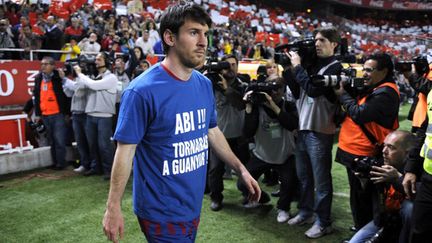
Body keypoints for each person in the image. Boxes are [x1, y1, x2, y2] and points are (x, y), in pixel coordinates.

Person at [102, 2, 260, 243]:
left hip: (191, 204)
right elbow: (125, 152)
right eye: (194, 32)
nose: (203, 42)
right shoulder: (141, 91)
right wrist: (113, 207)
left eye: (205, 34)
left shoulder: (204, 84)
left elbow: (213, 131)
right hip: (160, 212)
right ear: (170, 37)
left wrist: (241, 169)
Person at [285, 26, 343, 239]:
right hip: (303, 128)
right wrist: (291, 67)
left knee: (321, 181)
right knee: (305, 178)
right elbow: (299, 89)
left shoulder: (336, 68)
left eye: (322, 40)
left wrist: (299, 67)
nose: (316, 44)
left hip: (320, 130)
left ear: (334, 44)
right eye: (316, 40)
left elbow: (312, 89)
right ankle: (306, 212)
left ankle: (323, 221)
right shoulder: (312, 65)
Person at [335, 53, 400, 235]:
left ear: (384, 71)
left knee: (364, 198)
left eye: (369, 70)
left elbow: (359, 114)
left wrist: (342, 94)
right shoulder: (377, 88)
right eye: (363, 69)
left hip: (365, 153)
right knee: (360, 196)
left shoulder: (386, 92)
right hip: (356, 150)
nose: (364, 74)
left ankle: (366, 232)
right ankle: (363, 229)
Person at [238, 77, 298, 222]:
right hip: (262, 155)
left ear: (283, 91)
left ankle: (283, 208)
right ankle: (260, 198)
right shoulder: (258, 107)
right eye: (272, 88)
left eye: (278, 88)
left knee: (289, 182)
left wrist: (272, 105)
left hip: (285, 154)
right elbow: (248, 133)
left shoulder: (288, 106)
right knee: (242, 183)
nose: (275, 91)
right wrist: (249, 107)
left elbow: (291, 124)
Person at [348, 131, 415, 243]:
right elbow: (367, 206)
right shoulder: (379, 166)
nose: (384, 151)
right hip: (385, 220)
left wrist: (397, 179)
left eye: (391, 147)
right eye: (384, 145)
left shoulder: (416, 172)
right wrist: (363, 183)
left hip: (407, 224)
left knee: (410, 207)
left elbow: (420, 196)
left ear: (407, 153)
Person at [207, 54, 250, 211]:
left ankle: (248, 194)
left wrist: (226, 89)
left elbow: (241, 104)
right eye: (227, 65)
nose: (230, 68)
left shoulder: (243, 84)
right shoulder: (211, 85)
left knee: (243, 168)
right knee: (215, 170)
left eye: (233, 64)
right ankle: (216, 198)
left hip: (239, 136)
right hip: (219, 136)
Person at [73, 52, 117, 180]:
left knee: (104, 145)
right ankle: (95, 167)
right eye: (96, 59)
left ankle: (109, 170)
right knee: (92, 144)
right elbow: (80, 89)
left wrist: (80, 74)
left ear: (107, 61)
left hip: (104, 116)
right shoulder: (94, 77)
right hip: (90, 114)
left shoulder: (111, 78)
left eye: (99, 59)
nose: (96, 61)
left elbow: (94, 86)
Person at [33, 56, 70, 170]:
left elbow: (66, 94)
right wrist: (38, 113)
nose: (43, 66)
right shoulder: (38, 78)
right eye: (42, 64)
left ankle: (61, 163)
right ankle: (55, 162)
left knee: (59, 140)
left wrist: (67, 113)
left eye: (46, 64)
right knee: (52, 140)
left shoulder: (58, 76)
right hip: (45, 114)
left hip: (58, 114)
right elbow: (37, 96)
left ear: (53, 66)